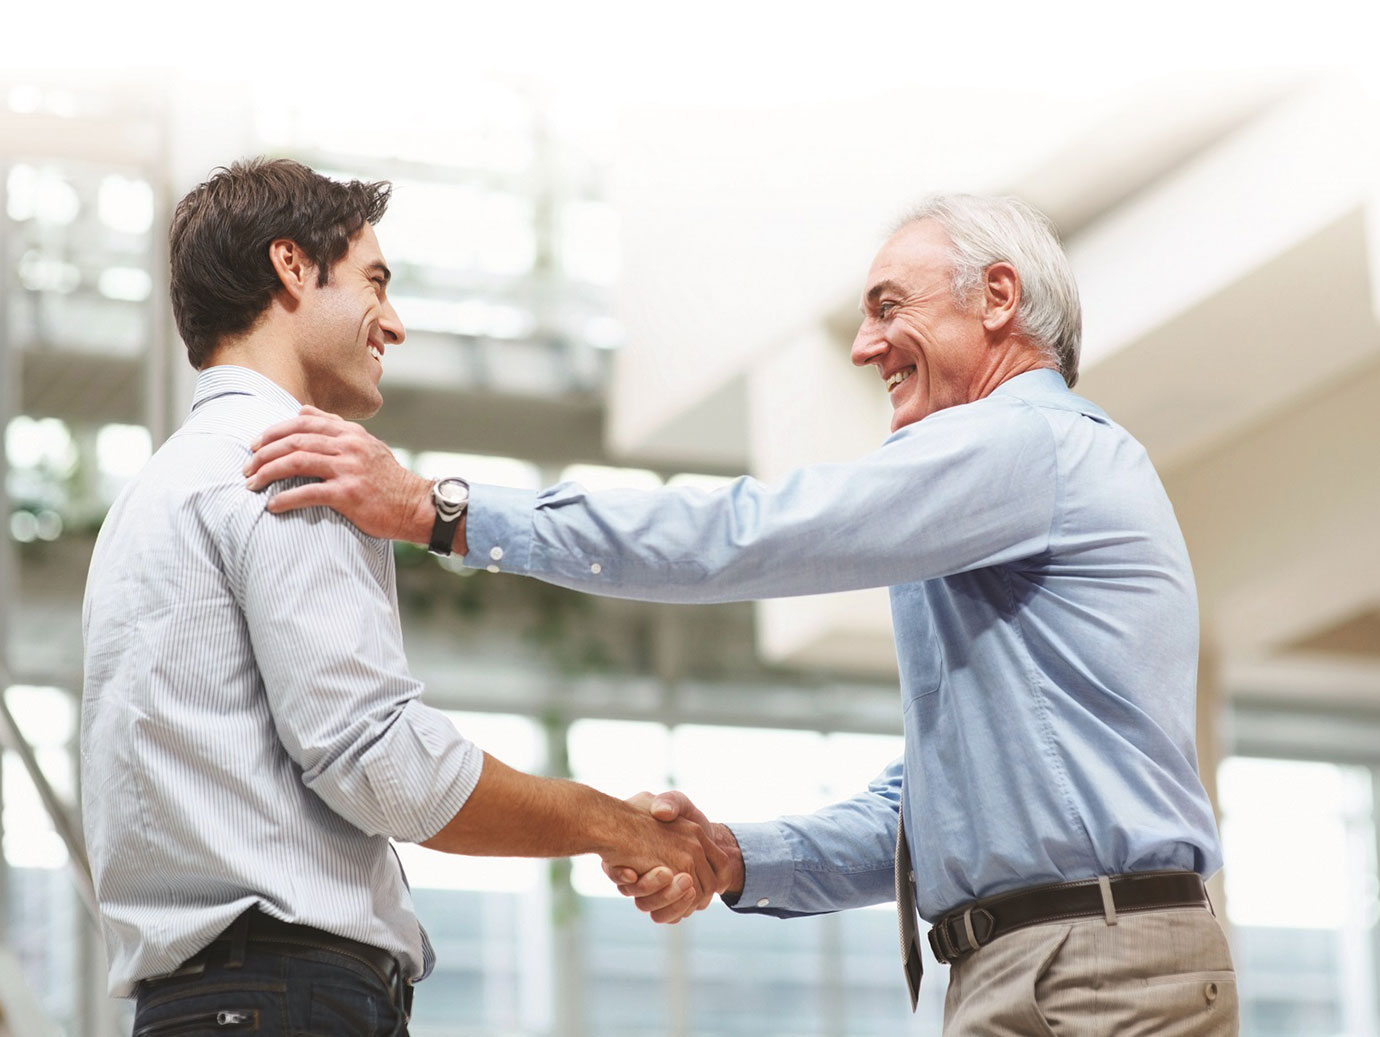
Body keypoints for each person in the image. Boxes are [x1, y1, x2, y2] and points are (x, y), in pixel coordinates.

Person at [244, 193, 1239, 1034]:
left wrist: (444, 511)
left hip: (1103, 966)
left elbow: (753, 533)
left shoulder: (1031, 447)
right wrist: (732, 854)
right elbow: (929, 806)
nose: (861, 347)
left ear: (999, 300)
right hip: (1023, 965)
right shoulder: (991, 508)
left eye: (889, 307)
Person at [81, 158, 726, 1035]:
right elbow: (382, 764)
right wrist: (615, 824)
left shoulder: (152, 492)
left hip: (194, 1004)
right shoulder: (297, 462)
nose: (395, 322)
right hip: (287, 1001)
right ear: (292, 267)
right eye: (375, 281)